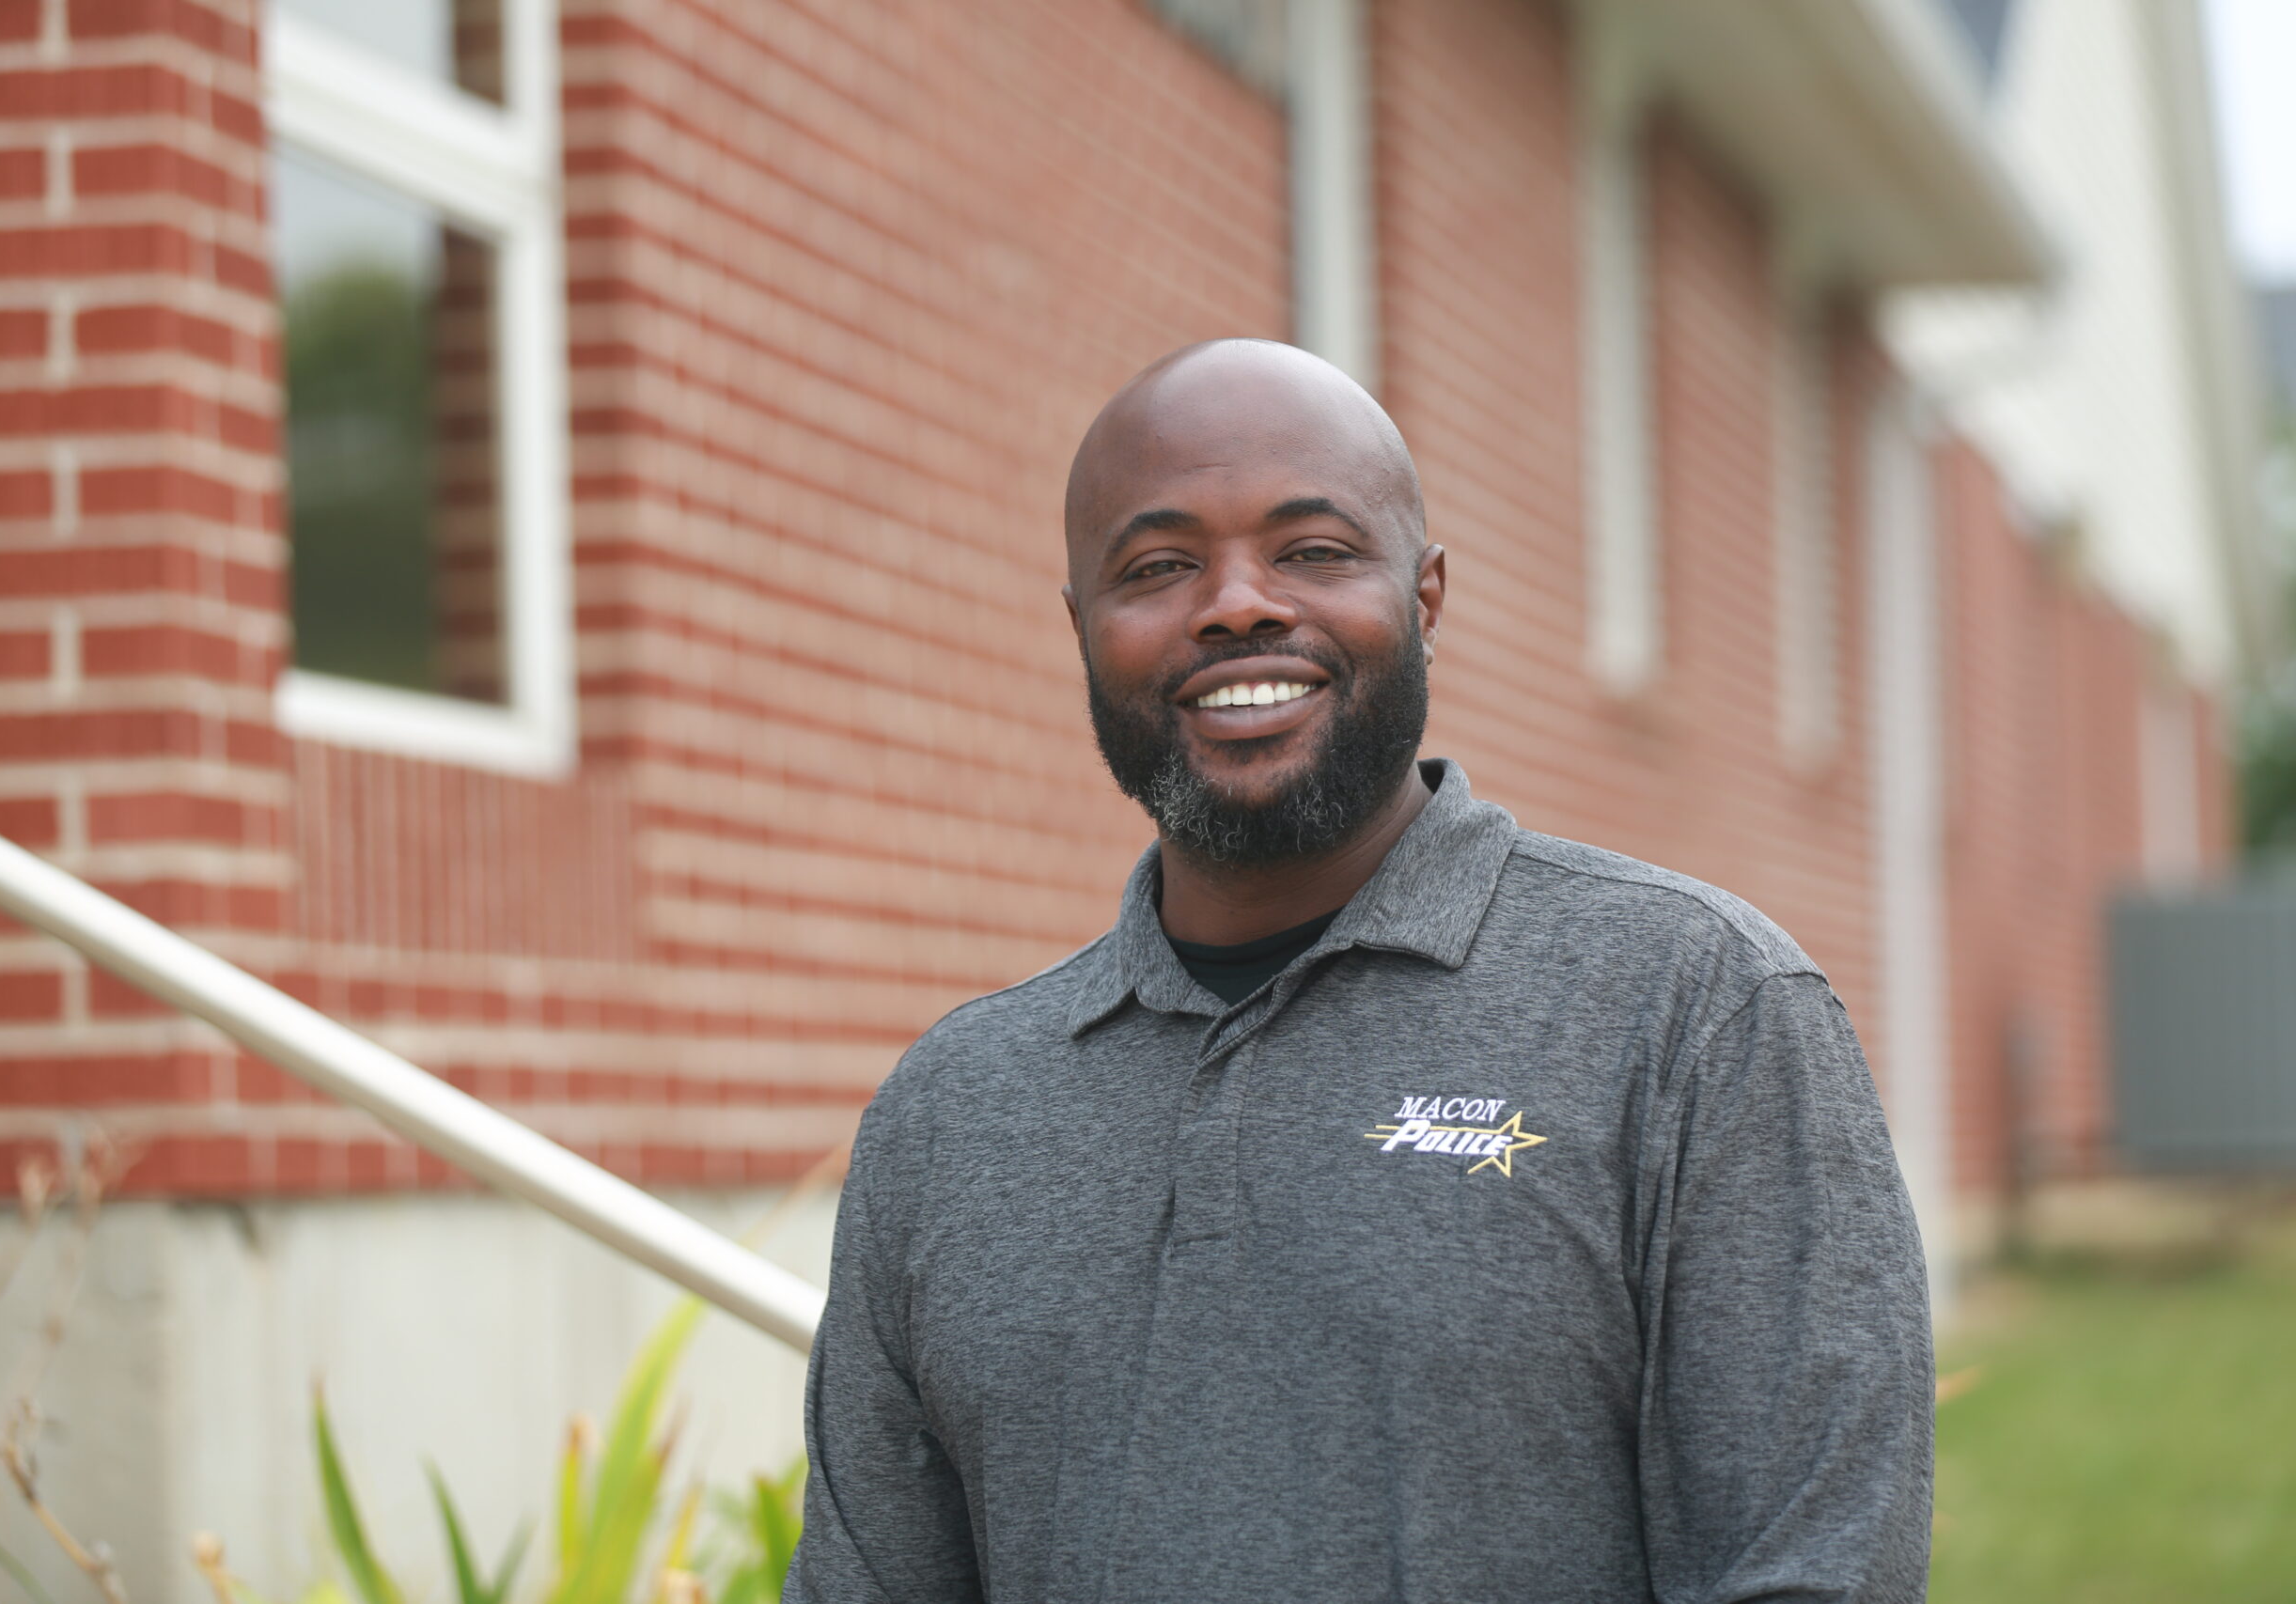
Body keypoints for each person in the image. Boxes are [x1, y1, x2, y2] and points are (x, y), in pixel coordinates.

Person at [787, 339, 1934, 1603]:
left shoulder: (1697, 1016)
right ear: (1081, 627)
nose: (1236, 604)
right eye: (1159, 567)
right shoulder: (953, 1111)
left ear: (1426, 597)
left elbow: (1809, 1575)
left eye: (1315, 551)